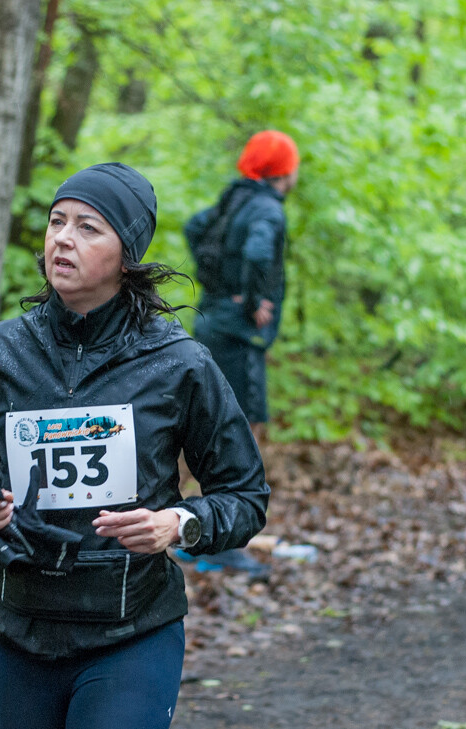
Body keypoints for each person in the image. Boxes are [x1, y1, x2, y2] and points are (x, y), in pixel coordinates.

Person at [0, 162, 269, 729]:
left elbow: (245, 494)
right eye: (58, 221)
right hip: (19, 632)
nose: (64, 239)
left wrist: (179, 524)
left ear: (127, 253)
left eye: (88, 227)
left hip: (129, 635)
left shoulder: (179, 364)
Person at [182, 129, 299, 576]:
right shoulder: (266, 207)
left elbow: (195, 226)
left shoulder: (234, 199)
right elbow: (256, 251)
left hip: (212, 323)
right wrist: (251, 303)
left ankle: (198, 534)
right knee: (236, 437)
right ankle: (221, 544)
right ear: (283, 170)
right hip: (235, 335)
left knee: (214, 432)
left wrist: (218, 287)